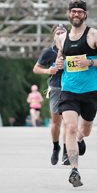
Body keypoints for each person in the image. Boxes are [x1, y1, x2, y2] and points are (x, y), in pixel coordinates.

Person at [55, 0, 97, 187]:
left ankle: (80, 139)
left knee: (85, 130)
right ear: (68, 14)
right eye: (73, 11)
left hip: (89, 91)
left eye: (80, 11)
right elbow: (61, 59)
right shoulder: (62, 38)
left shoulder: (93, 35)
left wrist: (90, 63)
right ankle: (74, 170)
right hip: (68, 90)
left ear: (85, 14)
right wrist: (57, 64)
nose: (76, 14)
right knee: (70, 127)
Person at [33, 24, 70, 165]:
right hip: (55, 88)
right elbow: (36, 69)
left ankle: (67, 151)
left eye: (63, 32)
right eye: (58, 33)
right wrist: (48, 71)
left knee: (69, 122)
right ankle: (56, 147)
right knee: (56, 122)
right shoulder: (49, 52)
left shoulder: (74, 50)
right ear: (54, 36)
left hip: (72, 88)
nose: (60, 35)